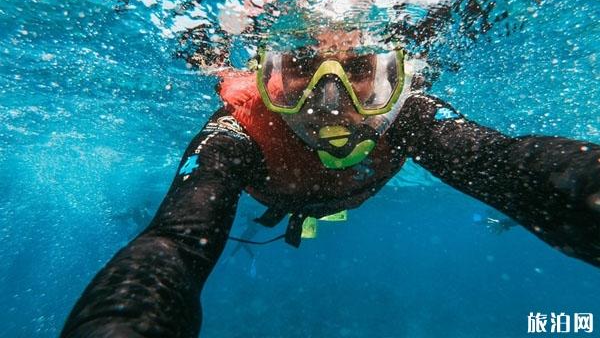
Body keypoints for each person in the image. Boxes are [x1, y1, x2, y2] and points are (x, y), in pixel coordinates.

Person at [60, 25, 599, 337]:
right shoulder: (237, 130)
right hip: (284, 195)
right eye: (300, 66)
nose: (330, 101)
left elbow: (506, 163)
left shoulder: (409, 116)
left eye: (360, 70)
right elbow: (173, 244)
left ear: (394, 79)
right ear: (267, 75)